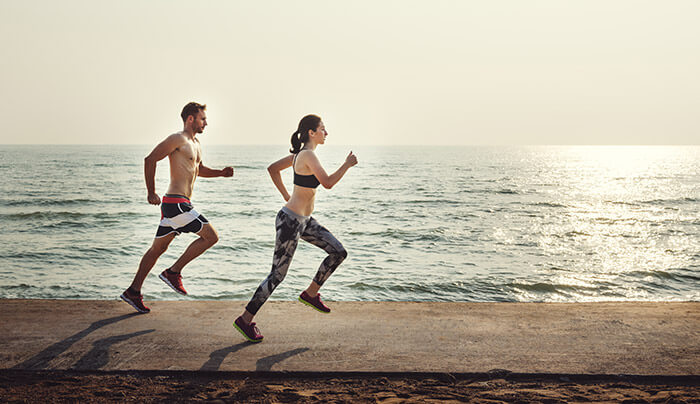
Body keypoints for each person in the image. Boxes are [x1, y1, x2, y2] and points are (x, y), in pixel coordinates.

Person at [233, 114, 357, 342]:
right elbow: (328, 183)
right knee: (277, 275)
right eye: (323, 128)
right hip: (290, 221)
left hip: (305, 221)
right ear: (312, 132)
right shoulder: (307, 154)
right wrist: (347, 165)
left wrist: (285, 195)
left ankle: (311, 293)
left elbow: (272, 169)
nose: (326, 133)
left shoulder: (300, 155)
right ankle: (245, 319)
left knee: (338, 252)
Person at [120, 102, 233, 313]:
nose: (206, 123)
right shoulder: (177, 139)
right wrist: (151, 192)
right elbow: (150, 159)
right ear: (191, 118)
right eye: (202, 119)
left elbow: (198, 170)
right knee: (212, 237)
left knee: (157, 249)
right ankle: (173, 272)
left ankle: (133, 292)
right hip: (175, 204)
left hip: (181, 204)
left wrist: (221, 173)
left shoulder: (196, 143)